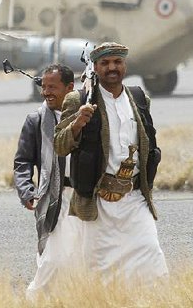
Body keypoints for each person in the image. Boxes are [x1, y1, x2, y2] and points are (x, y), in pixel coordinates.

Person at [54, 42, 168, 282]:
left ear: (125, 65)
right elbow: (60, 145)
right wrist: (77, 123)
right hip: (99, 201)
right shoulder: (79, 100)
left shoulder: (138, 98)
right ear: (95, 67)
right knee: (102, 270)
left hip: (135, 199)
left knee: (151, 261)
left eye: (117, 62)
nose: (112, 68)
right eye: (105, 63)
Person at [13, 63, 83, 297]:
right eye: (44, 87)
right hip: (52, 196)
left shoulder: (86, 115)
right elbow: (22, 162)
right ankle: (34, 299)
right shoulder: (35, 120)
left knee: (82, 256)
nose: (46, 92)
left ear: (70, 88)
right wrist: (27, 191)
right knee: (53, 257)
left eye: (52, 87)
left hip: (85, 195)